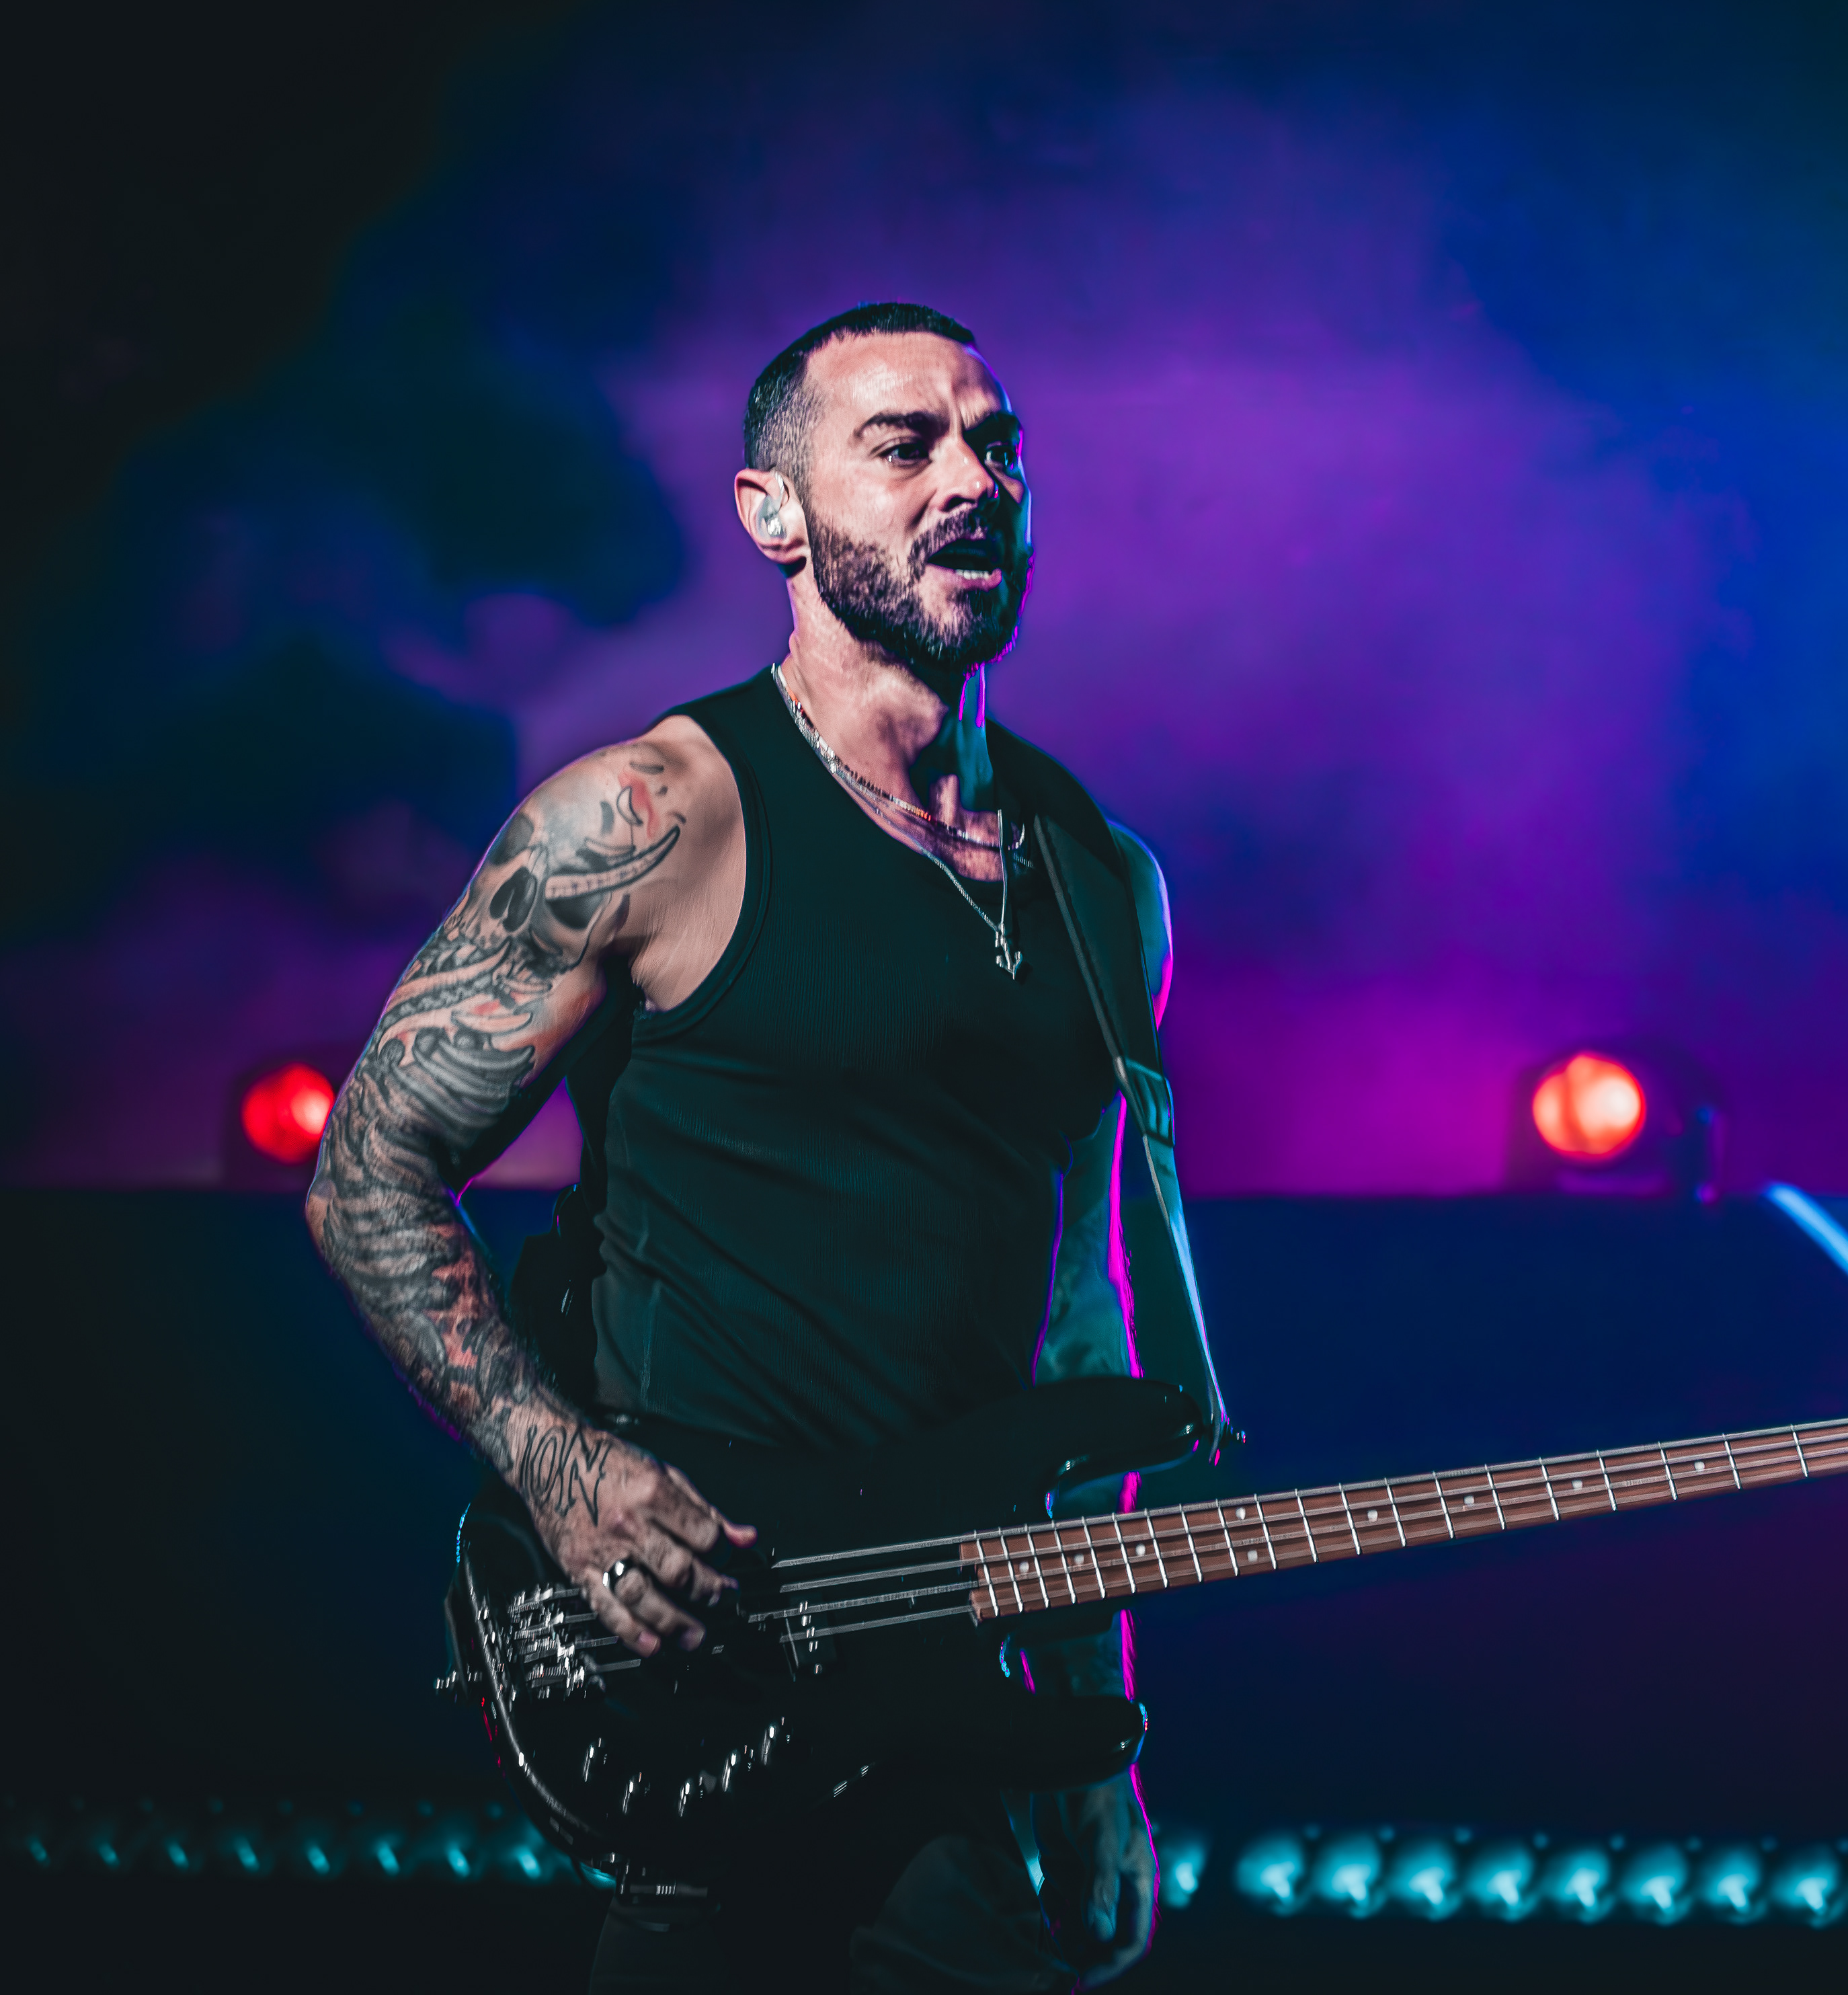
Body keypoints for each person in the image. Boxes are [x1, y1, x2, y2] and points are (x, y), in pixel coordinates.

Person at [307, 302, 1219, 1992]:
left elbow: (1084, 1352)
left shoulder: (1106, 883)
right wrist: (562, 1466)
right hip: (702, 1663)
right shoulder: (651, 815)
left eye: (997, 444)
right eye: (906, 445)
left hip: (953, 1703)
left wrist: (1095, 1748)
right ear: (773, 513)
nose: (973, 480)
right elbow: (368, 1165)